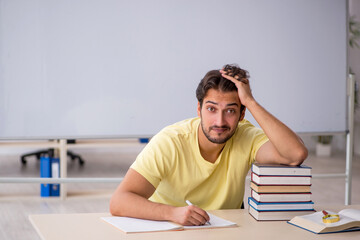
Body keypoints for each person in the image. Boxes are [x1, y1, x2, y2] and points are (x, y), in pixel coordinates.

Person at [109, 64, 308, 226]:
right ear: (199, 109)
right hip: (169, 229)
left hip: (227, 232)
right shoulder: (170, 141)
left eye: (230, 111)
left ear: (242, 114)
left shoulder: (246, 135)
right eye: (211, 109)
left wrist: (250, 101)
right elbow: (119, 201)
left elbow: (295, 154)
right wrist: (172, 213)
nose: (219, 122)